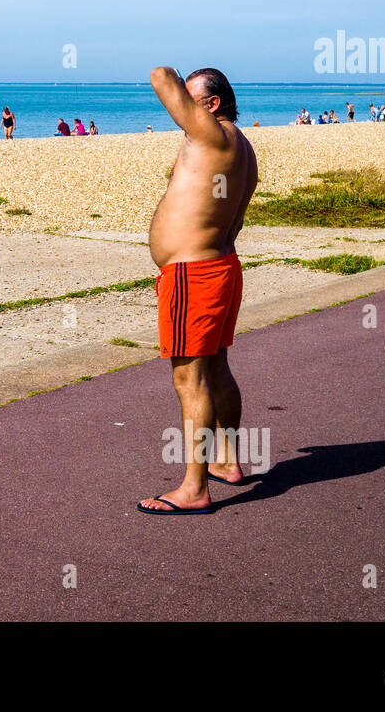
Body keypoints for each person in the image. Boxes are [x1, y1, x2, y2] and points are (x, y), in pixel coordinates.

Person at [139, 66, 257, 516]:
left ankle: (194, 488)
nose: (181, 109)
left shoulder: (212, 136)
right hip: (221, 268)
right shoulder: (241, 146)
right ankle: (226, 460)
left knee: (190, 379)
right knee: (219, 368)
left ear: (211, 105)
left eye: (192, 100)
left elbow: (160, 76)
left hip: (195, 274)